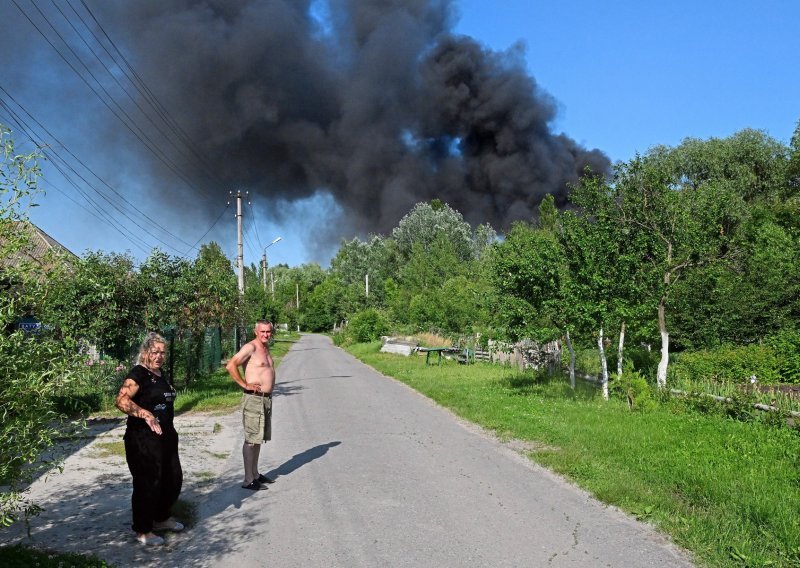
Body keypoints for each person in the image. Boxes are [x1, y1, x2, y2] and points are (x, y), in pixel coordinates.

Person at [115, 332, 184, 546]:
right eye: (155, 352)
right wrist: (145, 413)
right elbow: (121, 400)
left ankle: (161, 519)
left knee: (172, 479)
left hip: (165, 437)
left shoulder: (159, 373)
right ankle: (143, 530)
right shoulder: (138, 374)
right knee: (148, 483)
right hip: (142, 439)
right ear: (145, 352)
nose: (159, 356)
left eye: (163, 352)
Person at [225, 320, 278, 490]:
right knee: (251, 439)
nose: (265, 335)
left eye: (268, 331)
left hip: (265, 399)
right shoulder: (251, 347)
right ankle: (248, 480)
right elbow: (231, 365)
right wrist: (244, 384)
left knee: (258, 438)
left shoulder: (266, 348)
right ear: (256, 331)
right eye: (262, 331)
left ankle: (255, 474)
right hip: (253, 398)